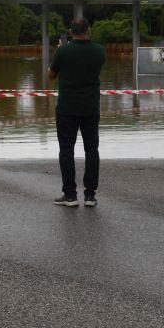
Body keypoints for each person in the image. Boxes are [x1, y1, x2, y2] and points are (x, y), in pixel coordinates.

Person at [48, 17, 105, 208]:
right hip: (90, 108)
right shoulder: (99, 51)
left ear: (71, 32)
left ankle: (70, 195)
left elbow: (51, 75)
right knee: (91, 150)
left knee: (66, 150)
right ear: (88, 30)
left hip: (67, 109)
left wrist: (59, 55)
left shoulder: (63, 51)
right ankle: (90, 196)